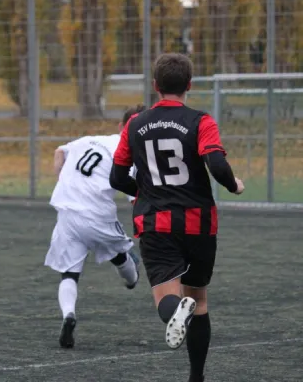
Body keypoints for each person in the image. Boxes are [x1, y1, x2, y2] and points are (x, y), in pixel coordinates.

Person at [110, 53, 245, 382]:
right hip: (198, 223)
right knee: (198, 299)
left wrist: (143, 191)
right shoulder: (201, 121)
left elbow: (117, 177)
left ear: (155, 86)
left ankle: (175, 310)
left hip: (157, 222)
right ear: (189, 85)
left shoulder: (135, 124)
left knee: (167, 300)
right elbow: (216, 164)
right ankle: (196, 377)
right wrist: (234, 185)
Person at [44, 106, 145, 349]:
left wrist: (64, 181)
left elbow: (60, 152)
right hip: (97, 214)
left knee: (69, 273)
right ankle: (131, 277)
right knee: (121, 255)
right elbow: (138, 199)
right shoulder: (133, 156)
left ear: (121, 126)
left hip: (67, 210)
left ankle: (69, 314)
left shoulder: (91, 139)